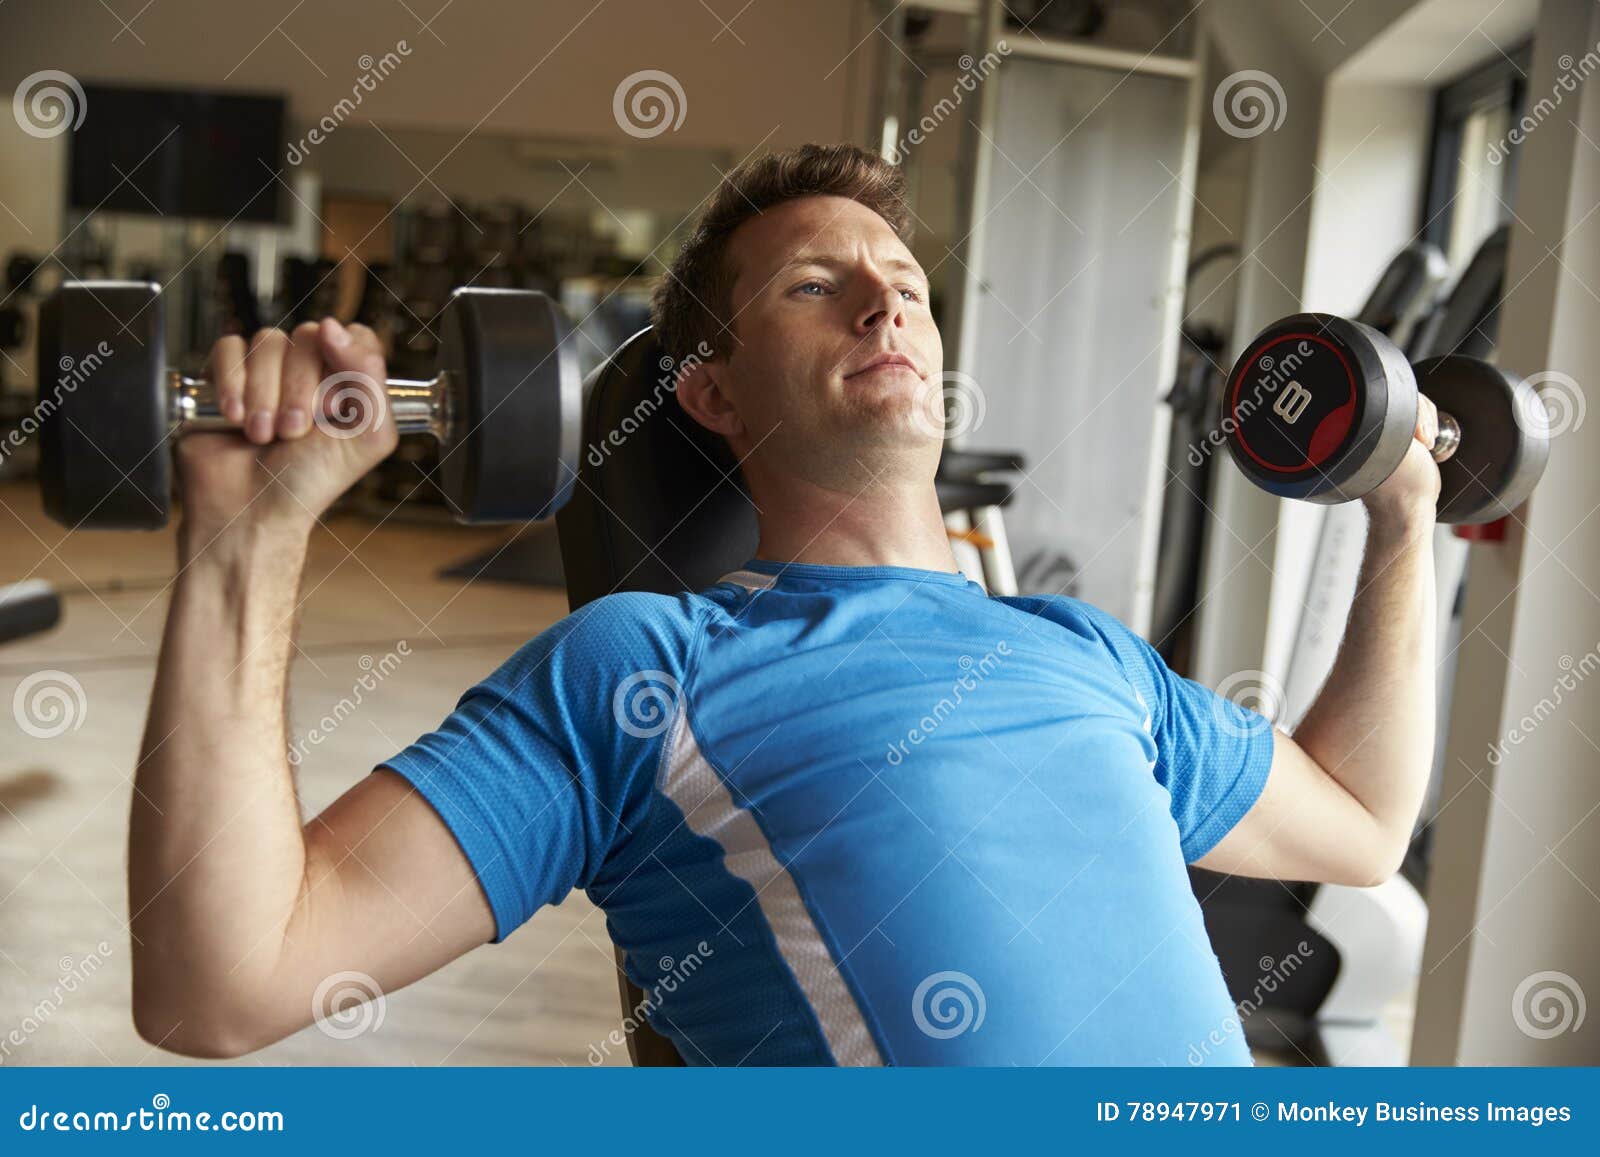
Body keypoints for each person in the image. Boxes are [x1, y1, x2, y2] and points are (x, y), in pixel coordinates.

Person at [128, 143, 1442, 1065]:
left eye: (909, 290)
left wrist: (1403, 515)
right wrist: (250, 545)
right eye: (816, 287)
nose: (886, 301)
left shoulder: (1087, 653)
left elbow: (1366, 824)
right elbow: (223, 982)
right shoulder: (644, 672)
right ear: (710, 391)